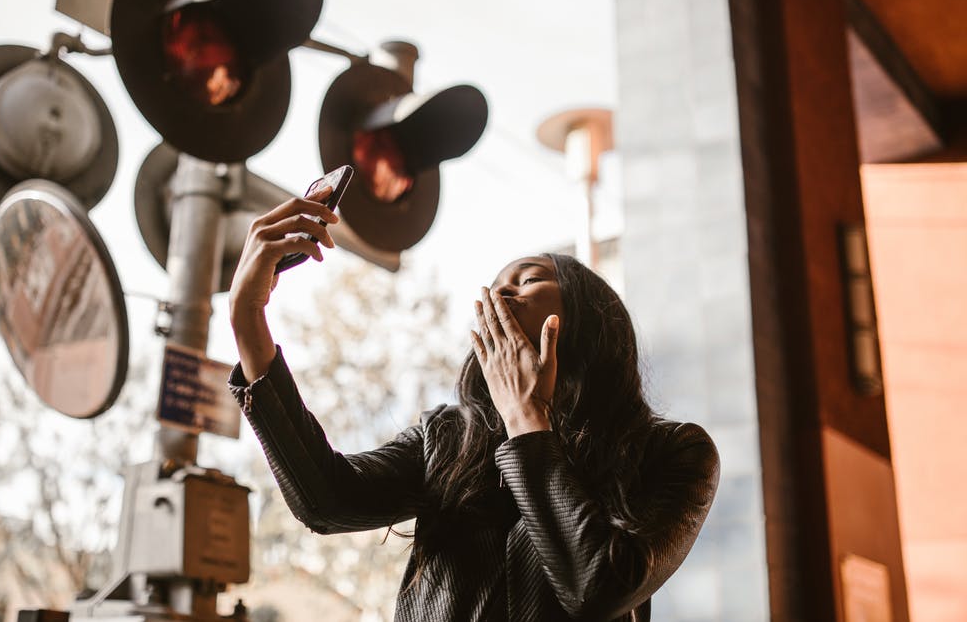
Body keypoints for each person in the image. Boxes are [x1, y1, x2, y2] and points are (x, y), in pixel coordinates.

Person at [227, 189, 720, 622]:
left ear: (590, 319)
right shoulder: (446, 437)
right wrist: (249, 321)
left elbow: (597, 588)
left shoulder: (675, 453)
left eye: (528, 279)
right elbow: (326, 500)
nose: (501, 289)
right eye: (497, 282)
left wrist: (528, 421)